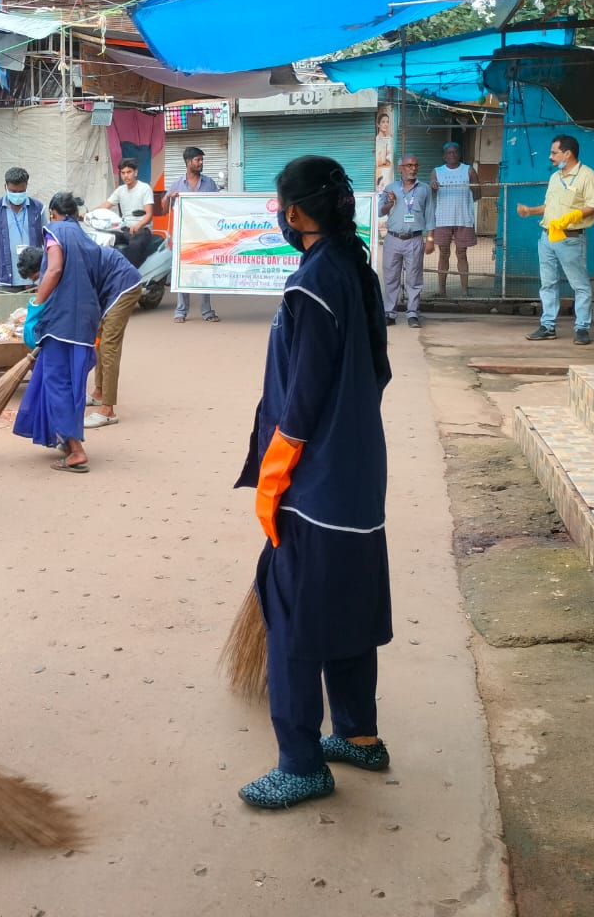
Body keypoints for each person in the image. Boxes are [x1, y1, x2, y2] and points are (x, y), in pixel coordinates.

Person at [235, 154, 392, 809]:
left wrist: (274, 480)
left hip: (314, 487)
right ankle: (357, 735)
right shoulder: (357, 271)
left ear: (295, 213)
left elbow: (298, 407)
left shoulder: (311, 285)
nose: (279, 215)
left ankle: (301, 763)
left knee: (294, 622)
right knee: (348, 610)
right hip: (358, 479)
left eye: (280, 206)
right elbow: (378, 373)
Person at [13, 194, 101, 473]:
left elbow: (54, 268)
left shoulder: (55, 231)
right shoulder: (85, 236)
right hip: (84, 322)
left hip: (62, 324)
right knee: (72, 385)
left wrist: (37, 302)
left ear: (53, 213)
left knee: (57, 383)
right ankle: (65, 438)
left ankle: (76, 450)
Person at [517, 133, 594, 345]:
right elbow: (549, 207)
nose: (550, 157)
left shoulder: (587, 176)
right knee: (548, 283)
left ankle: (582, 327)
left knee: (579, 284)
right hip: (547, 236)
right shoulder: (555, 178)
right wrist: (531, 210)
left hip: (570, 238)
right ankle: (548, 326)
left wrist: (573, 216)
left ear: (568, 153)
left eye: (554, 152)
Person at [83, 222, 143, 431]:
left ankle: (108, 411)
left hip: (125, 287)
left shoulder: (67, 263)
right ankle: (99, 393)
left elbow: (86, 299)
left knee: (108, 345)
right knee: (99, 338)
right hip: (109, 289)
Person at [164, 146, 221, 324]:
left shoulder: (210, 183)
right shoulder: (177, 184)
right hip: (184, 236)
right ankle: (181, 311)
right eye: (197, 160)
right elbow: (164, 208)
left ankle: (207, 311)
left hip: (203, 236)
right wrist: (169, 197)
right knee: (184, 273)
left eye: (201, 160)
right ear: (188, 162)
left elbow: (218, 207)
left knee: (204, 272)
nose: (201, 163)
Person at [378, 154, 435, 328]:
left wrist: (430, 239)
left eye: (415, 165)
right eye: (409, 165)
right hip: (393, 239)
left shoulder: (424, 189)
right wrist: (390, 202)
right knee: (390, 277)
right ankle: (390, 313)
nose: (413, 169)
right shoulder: (390, 188)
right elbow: (381, 211)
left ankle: (412, 313)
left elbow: (430, 215)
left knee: (414, 278)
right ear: (400, 168)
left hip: (414, 239)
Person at [429, 142, 480, 297]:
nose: (452, 155)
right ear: (444, 156)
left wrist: (466, 198)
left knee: (462, 253)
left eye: (455, 152)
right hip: (443, 219)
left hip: (463, 218)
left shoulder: (469, 170)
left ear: (459, 154)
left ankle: (465, 291)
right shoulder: (437, 172)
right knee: (443, 253)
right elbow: (431, 194)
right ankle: (441, 290)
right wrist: (433, 187)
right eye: (449, 153)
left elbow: (477, 194)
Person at [97, 158, 156, 267]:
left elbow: (149, 214)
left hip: (142, 230)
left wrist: (138, 225)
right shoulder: (120, 190)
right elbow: (106, 205)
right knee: (104, 239)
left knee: (135, 245)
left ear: (136, 173)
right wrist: (88, 214)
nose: (126, 176)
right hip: (125, 229)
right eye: (123, 173)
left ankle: (131, 277)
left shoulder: (144, 188)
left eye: (129, 172)